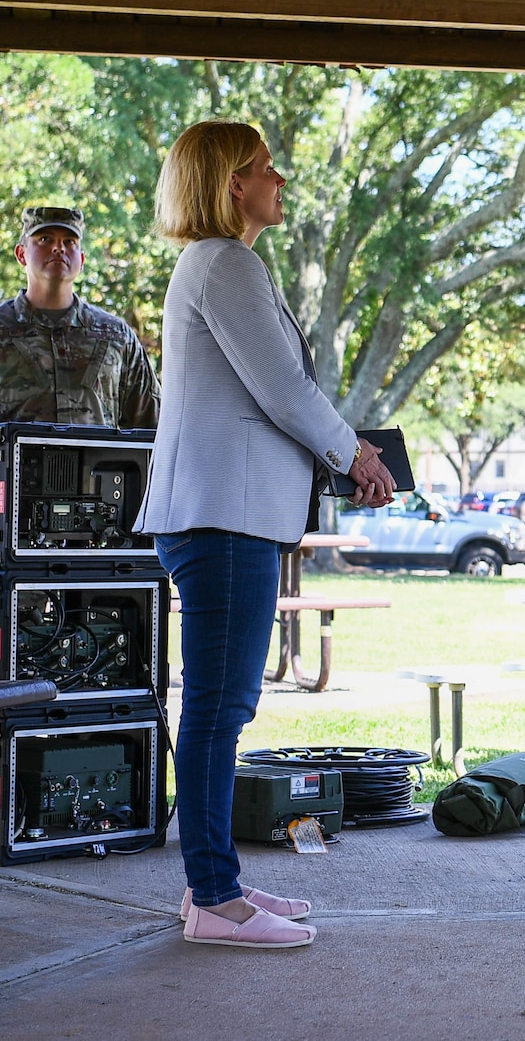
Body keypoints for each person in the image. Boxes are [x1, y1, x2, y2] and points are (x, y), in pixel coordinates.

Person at [135, 120, 395, 948]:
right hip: (222, 519)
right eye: (264, 167)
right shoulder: (225, 262)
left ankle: (215, 884)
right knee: (218, 709)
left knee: (221, 705)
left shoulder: (217, 265)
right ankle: (213, 897)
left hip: (222, 516)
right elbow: (284, 388)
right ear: (231, 183)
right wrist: (354, 452)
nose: (280, 178)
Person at [0, 206, 160, 427]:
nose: (58, 248)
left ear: (82, 260)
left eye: (69, 242)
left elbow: (152, 430)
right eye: (44, 239)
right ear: (21, 254)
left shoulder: (116, 336)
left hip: (95, 468)